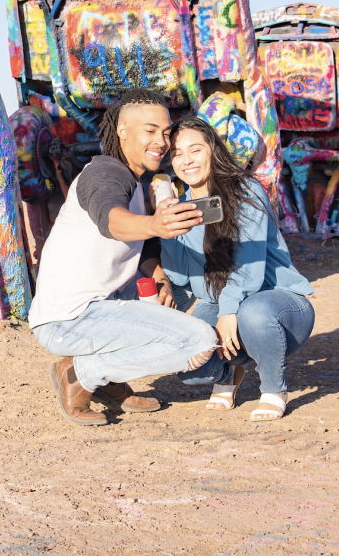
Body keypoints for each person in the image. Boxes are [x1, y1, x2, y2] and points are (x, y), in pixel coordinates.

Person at [29, 89, 218, 425]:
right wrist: (155, 223)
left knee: (177, 284)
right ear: (123, 131)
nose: (161, 141)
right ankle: (83, 372)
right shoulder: (105, 173)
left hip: (99, 306)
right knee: (200, 342)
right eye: (150, 131)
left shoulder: (136, 181)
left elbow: (139, 245)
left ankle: (108, 380)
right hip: (69, 321)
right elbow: (111, 220)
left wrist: (157, 275)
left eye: (165, 133)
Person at [161, 116, 316, 421]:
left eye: (195, 150)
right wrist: (167, 229)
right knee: (190, 368)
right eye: (177, 153)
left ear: (212, 150)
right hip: (219, 301)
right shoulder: (179, 205)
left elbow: (249, 266)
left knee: (252, 313)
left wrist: (227, 312)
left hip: (277, 304)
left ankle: (273, 388)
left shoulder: (244, 189)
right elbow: (180, 277)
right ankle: (228, 375)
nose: (186, 160)